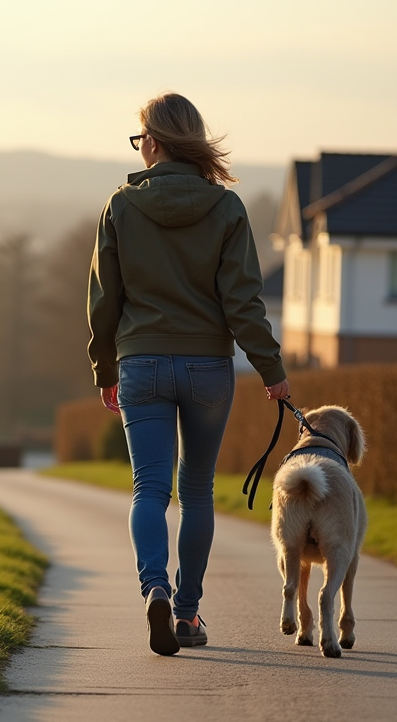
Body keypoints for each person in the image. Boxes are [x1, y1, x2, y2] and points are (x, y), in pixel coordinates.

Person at [87, 92, 289, 656]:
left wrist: (105, 366)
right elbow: (243, 302)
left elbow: (104, 300)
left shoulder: (121, 205)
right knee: (197, 492)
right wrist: (272, 370)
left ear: (153, 141)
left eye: (139, 137)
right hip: (207, 367)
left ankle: (155, 586)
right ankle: (187, 615)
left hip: (141, 363)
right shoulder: (227, 209)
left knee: (149, 489)